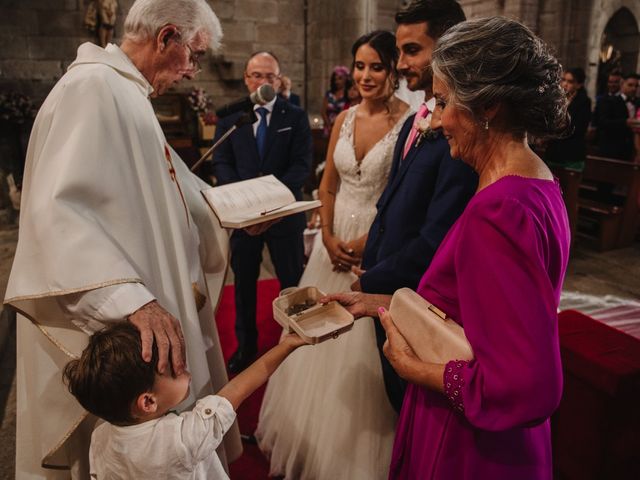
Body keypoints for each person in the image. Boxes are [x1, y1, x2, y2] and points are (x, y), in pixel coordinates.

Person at [3, 1, 242, 478]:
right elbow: (58, 211)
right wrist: (130, 300)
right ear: (166, 36)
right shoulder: (92, 89)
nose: (193, 71)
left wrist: (233, 212)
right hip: (118, 326)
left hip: (145, 295)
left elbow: (167, 187)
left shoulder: (123, 91)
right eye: (192, 55)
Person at [326, 16, 571, 479]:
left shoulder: (498, 212)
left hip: (470, 444)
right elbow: (483, 314)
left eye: (443, 102)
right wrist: (380, 303)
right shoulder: (534, 180)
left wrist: (410, 367)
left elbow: (527, 386)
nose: (436, 119)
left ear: (489, 106)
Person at [256, 31, 411, 479]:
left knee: (360, 347)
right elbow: (327, 185)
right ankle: (305, 435)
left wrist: (365, 243)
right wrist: (325, 234)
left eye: (376, 66)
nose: (365, 75)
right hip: (330, 247)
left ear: (393, 70)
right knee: (316, 339)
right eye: (359, 66)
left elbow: (400, 197)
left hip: (374, 251)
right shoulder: (343, 119)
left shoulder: (408, 124)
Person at [355, 0, 478, 413]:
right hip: (388, 283)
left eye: (412, 50)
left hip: (419, 293)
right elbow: (392, 203)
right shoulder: (414, 121)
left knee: (414, 405)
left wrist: (374, 276)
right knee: (395, 397)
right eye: (400, 51)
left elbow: (438, 235)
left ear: (447, 46)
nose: (400, 61)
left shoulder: (458, 129)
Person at [62, 322, 306, 479]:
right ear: (148, 402)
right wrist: (286, 346)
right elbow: (238, 389)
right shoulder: (182, 438)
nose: (184, 366)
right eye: (174, 368)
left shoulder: (100, 435)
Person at [212, 51, 312, 374]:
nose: (263, 82)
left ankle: (297, 338)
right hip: (244, 219)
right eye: (256, 75)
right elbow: (222, 162)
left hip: (284, 215)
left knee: (290, 280)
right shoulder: (232, 118)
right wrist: (240, 199)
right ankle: (247, 345)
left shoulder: (294, 116)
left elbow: (301, 166)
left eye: (270, 76)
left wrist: (273, 201)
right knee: (243, 284)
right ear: (246, 78)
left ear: (279, 80)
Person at [544, 67, 592, 171]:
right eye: (563, 80)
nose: (565, 84)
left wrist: (557, 127)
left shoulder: (584, 102)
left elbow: (579, 128)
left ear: (579, 85)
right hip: (553, 151)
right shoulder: (556, 99)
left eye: (570, 81)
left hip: (572, 153)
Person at [595, 72, 637, 160]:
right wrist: (625, 122)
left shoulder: (637, 102)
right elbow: (602, 122)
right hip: (611, 149)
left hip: (630, 150)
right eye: (630, 85)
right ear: (622, 85)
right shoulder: (609, 101)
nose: (634, 88)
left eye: (636, 86)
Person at [321, 65, 350, 136]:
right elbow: (323, 111)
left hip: (344, 127)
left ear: (346, 79)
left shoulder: (348, 94)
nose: (337, 81)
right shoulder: (329, 94)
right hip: (329, 127)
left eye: (340, 79)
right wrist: (329, 126)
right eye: (335, 79)